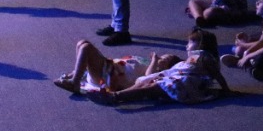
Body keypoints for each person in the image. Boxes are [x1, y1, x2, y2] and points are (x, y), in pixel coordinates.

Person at [85, 30, 230, 105]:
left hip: (182, 84)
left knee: (149, 88)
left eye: (190, 43)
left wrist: (225, 89)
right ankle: (114, 95)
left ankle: (116, 97)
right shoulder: (192, 58)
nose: (187, 46)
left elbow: (216, 74)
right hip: (174, 78)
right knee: (144, 82)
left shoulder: (204, 57)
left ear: (200, 44)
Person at [52, 40, 180, 95]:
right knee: (82, 43)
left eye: (166, 59)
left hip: (108, 78)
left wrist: (155, 61)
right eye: (164, 56)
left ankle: (74, 82)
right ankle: (76, 75)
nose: (162, 58)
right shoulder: (147, 62)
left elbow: (147, 77)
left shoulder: (157, 72)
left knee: (86, 48)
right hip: (109, 67)